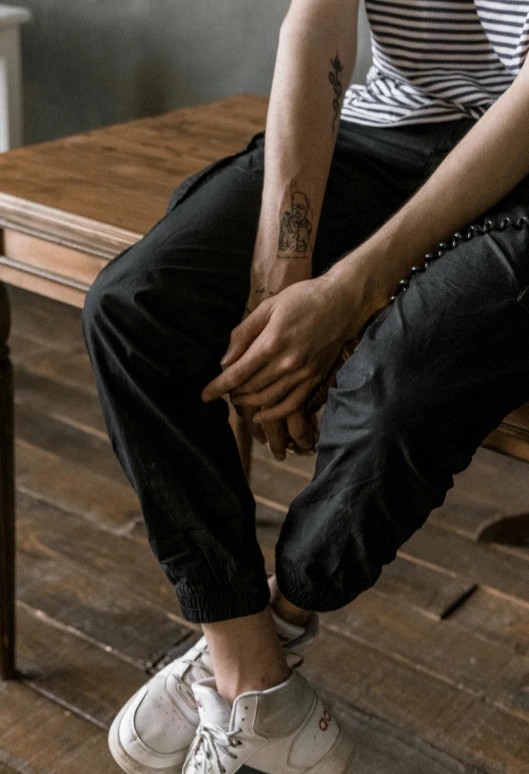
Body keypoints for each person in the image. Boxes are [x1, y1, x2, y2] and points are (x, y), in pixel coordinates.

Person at [82, 0, 529, 770]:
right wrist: (277, 282)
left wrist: (350, 289)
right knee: (135, 308)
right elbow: (315, 25)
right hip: (389, 129)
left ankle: (269, 636)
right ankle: (247, 663)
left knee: (399, 379)